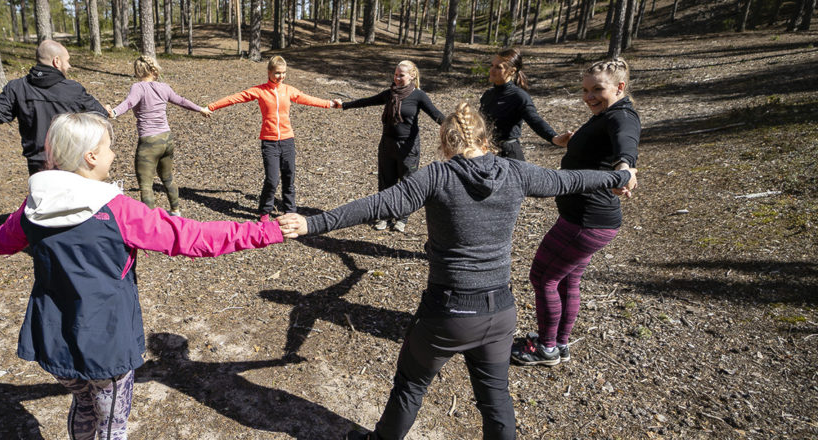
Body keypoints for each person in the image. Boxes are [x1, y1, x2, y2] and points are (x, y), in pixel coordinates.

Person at [279, 103, 636, 440]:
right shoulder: (515, 172)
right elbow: (570, 181)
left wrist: (312, 224)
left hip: (448, 312)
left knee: (411, 386)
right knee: (495, 399)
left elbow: (378, 204)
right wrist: (617, 175)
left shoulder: (437, 175)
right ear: (485, 140)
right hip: (500, 312)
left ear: (445, 142)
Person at [0, 113, 285, 439]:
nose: (113, 154)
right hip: (104, 340)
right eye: (108, 147)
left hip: (52, 334)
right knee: (112, 424)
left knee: (83, 403)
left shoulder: (34, 206)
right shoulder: (118, 211)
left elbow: (0, 244)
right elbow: (195, 237)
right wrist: (267, 231)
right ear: (90, 156)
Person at [511, 58, 640, 367]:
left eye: (597, 89)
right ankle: (559, 342)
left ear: (620, 87)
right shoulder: (607, 114)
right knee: (567, 281)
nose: (589, 97)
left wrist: (626, 169)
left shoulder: (622, 117)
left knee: (542, 278)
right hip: (588, 219)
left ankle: (546, 347)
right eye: (585, 90)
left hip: (586, 222)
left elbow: (627, 147)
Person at [0, 40, 108, 175]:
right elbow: (100, 115)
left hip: (36, 164)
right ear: (57, 61)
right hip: (70, 161)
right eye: (67, 61)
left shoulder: (17, 88)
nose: (69, 65)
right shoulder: (72, 89)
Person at [206, 56, 336, 218]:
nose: (281, 76)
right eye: (277, 73)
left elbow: (308, 99)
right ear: (269, 72)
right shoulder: (260, 91)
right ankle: (265, 212)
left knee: (289, 178)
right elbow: (235, 98)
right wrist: (211, 106)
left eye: (283, 73)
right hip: (269, 142)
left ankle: (290, 211)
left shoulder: (289, 90)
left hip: (287, 141)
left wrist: (330, 103)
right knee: (272, 180)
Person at [336, 60, 445, 233]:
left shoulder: (419, 96)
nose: (397, 78)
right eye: (395, 75)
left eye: (401, 75)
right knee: (386, 182)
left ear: (412, 76)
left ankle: (402, 218)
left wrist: (455, 127)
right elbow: (368, 101)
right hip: (387, 144)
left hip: (408, 148)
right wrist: (344, 105)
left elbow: (436, 114)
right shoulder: (390, 94)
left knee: (407, 183)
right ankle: (384, 216)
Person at [109, 56, 211, 217]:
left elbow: (129, 103)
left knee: (146, 185)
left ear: (137, 71)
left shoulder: (138, 87)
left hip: (149, 142)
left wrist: (114, 112)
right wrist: (201, 109)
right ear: (153, 69)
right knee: (168, 177)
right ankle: (176, 212)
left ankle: (149, 222)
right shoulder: (164, 87)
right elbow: (181, 101)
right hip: (166, 139)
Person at [479, 48, 568, 161]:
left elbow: (535, 120)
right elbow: (480, 123)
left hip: (509, 156)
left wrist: (554, 138)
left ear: (512, 71)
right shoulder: (488, 95)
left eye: (498, 67)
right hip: (488, 152)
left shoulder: (519, 96)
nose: (492, 70)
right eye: (492, 65)